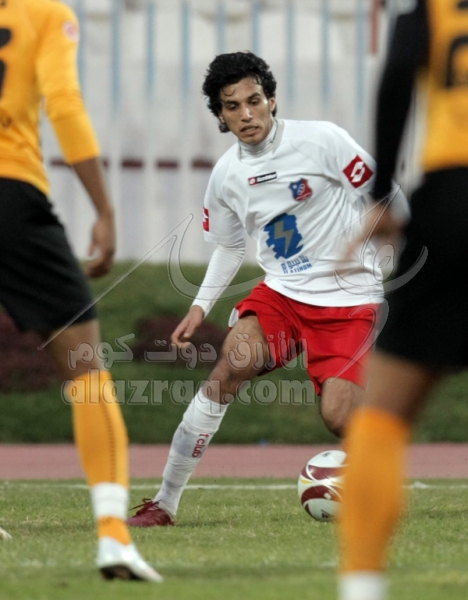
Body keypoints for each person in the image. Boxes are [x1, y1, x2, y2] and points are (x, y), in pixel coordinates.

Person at [127, 51, 407, 528]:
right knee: (229, 368)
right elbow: (229, 246)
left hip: (350, 302)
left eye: (253, 100)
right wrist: (199, 306)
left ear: (271, 100)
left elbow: (387, 195)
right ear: (220, 115)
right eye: (232, 106)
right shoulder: (225, 176)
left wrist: (390, 258)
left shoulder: (322, 140)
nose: (246, 114)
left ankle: (377, 473)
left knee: (340, 417)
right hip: (283, 297)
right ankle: (164, 503)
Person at [0, 0, 161, 582]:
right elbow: (64, 104)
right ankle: (114, 537)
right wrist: (104, 209)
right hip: (10, 192)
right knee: (87, 368)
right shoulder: (44, 14)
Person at [337, 1, 468, 599]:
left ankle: (363, 587)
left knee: (383, 416)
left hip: (454, 199)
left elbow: (396, 77)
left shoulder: (434, 10)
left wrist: (382, 195)